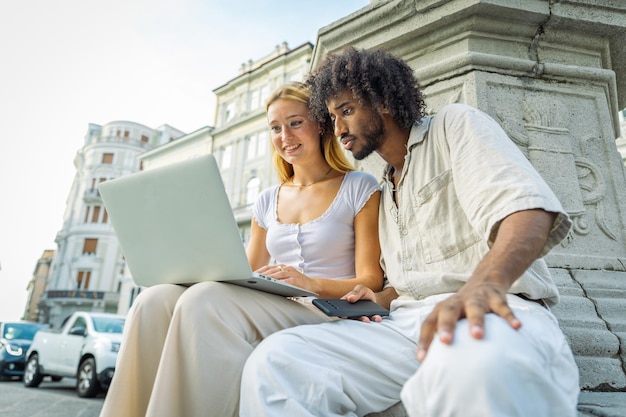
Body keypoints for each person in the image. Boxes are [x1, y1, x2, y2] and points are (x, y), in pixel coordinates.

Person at [240, 47, 580, 417]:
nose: (338, 129)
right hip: (402, 326)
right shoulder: (382, 192)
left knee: (475, 368)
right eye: (333, 116)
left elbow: (528, 210)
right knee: (278, 361)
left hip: (496, 309)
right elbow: (409, 284)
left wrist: (483, 285)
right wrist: (370, 298)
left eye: (347, 111)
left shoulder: (454, 125)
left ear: (383, 101)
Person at [98, 81, 383, 417]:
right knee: (153, 300)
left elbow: (371, 280)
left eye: (295, 123)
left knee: (203, 302)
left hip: (327, 307)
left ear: (321, 124)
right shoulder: (266, 200)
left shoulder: (358, 186)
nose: (284, 136)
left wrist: (308, 282)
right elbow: (243, 271)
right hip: (278, 303)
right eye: (275, 127)